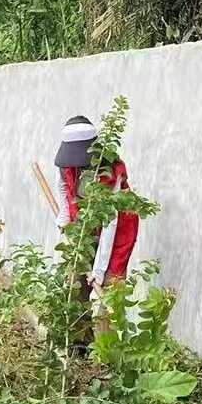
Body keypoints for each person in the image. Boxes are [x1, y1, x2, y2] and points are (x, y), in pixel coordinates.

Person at [54, 114, 140, 290]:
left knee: (111, 285)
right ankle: (80, 316)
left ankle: (106, 315)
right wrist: (64, 216)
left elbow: (110, 222)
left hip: (117, 226)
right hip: (85, 219)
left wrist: (99, 270)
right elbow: (62, 185)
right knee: (75, 278)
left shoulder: (110, 171)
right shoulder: (66, 162)